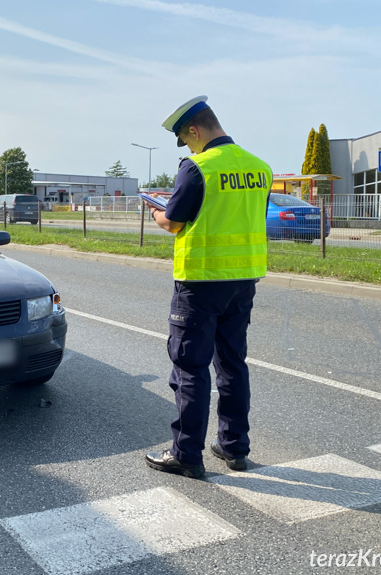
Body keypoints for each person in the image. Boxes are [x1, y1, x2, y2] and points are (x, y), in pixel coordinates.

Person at [145, 96, 272, 479]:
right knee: (233, 363)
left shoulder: (197, 168)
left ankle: (186, 454)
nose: (189, 147)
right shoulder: (260, 168)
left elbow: (173, 222)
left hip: (200, 282)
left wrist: (155, 211)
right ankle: (234, 448)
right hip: (243, 280)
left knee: (190, 368)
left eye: (187, 139)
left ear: (195, 131)